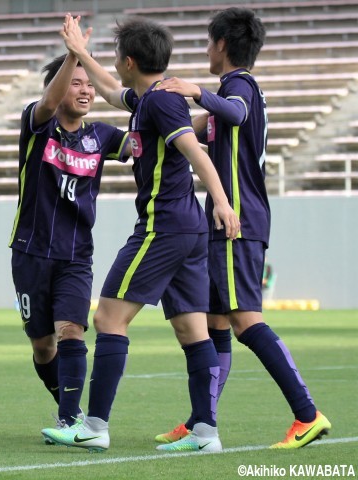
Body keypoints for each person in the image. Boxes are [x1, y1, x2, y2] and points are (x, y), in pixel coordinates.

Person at [41, 15, 240, 453]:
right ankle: (206, 432)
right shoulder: (150, 97)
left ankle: (93, 425)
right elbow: (113, 92)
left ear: (129, 60)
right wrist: (80, 51)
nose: (114, 65)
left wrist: (223, 202)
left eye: (116, 57)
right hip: (187, 228)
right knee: (193, 330)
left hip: (162, 226)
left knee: (108, 319)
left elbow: (194, 152)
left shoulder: (161, 102)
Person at [152, 7, 330, 449]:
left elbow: (234, 113)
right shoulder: (234, 91)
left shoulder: (239, 85)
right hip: (227, 221)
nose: (207, 50)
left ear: (222, 45)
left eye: (209, 42)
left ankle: (307, 415)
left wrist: (195, 91)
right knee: (215, 324)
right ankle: (200, 422)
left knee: (244, 319)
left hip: (237, 221)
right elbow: (201, 127)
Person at [9, 21, 131, 441]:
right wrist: (76, 53)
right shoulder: (37, 126)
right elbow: (45, 102)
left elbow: (139, 142)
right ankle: (71, 409)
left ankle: (70, 422)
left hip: (76, 255)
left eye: (89, 85)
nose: (85, 90)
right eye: (76, 82)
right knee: (43, 346)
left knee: (71, 331)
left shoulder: (101, 136)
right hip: (29, 253)